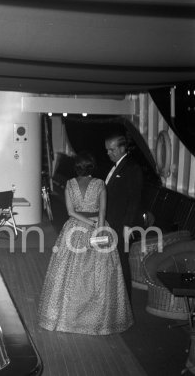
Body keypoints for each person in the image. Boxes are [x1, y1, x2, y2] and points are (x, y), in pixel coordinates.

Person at [38, 152, 133, 335]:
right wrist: (97, 227)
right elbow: (102, 211)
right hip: (97, 226)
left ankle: (65, 317)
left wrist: (86, 223)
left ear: (76, 168)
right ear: (92, 167)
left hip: (74, 229)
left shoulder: (70, 184)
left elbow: (70, 212)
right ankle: (99, 319)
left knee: (67, 271)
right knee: (101, 273)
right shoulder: (99, 184)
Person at [104, 133, 143, 301]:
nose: (108, 153)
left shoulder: (132, 168)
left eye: (112, 150)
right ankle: (115, 296)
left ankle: (124, 300)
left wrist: (127, 226)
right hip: (112, 221)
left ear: (122, 148)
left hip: (122, 224)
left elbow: (135, 200)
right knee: (113, 260)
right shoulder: (117, 166)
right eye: (107, 150)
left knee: (122, 262)